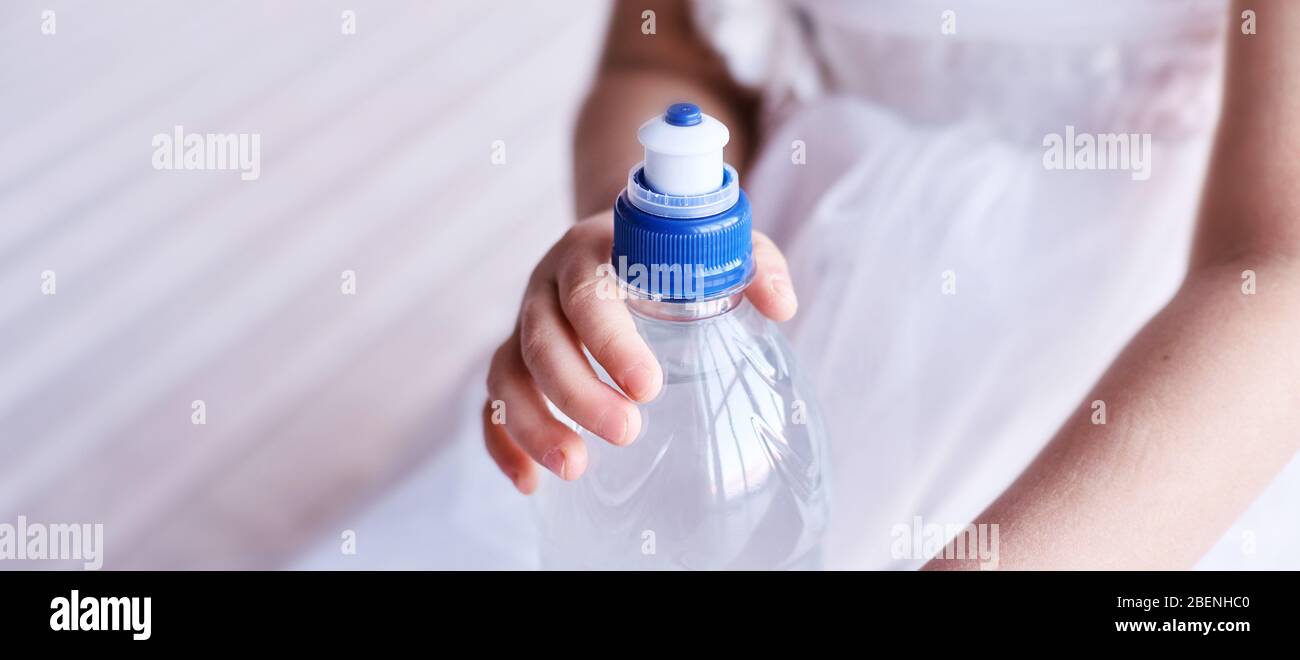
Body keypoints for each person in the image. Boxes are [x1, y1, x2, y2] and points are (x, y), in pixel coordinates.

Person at [482, 0, 1300, 569]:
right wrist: (642, 244)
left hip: (1164, 409)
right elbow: (661, 55)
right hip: (786, 310)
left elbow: (1280, 264)